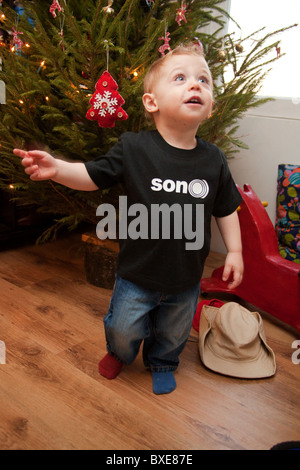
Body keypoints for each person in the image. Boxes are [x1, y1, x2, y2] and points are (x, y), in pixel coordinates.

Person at [13, 43, 244, 395]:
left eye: (204, 81)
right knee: (123, 328)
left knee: (174, 330)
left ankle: (163, 360)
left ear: (211, 107)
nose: (195, 85)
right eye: (180, 78)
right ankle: (119, 353)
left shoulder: (213, 160)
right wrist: (57, 169)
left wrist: (235, 252)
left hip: (185, 277)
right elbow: (92, 175)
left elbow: (226, 207)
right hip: (137, 273)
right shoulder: (133, 147)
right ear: (151, 102)